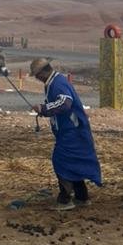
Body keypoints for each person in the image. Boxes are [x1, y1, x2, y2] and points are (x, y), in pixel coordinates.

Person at [29, 56, 102, 210]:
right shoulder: (55, 82)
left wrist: (44, 109)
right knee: (74, 162)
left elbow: (65, 102)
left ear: (41, 74)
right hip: (70, 130)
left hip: (72, 131)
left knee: (61, 161)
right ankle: (82, 196)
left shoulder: (57, 83)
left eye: (36, 75)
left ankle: (65, 199)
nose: (36, 78)